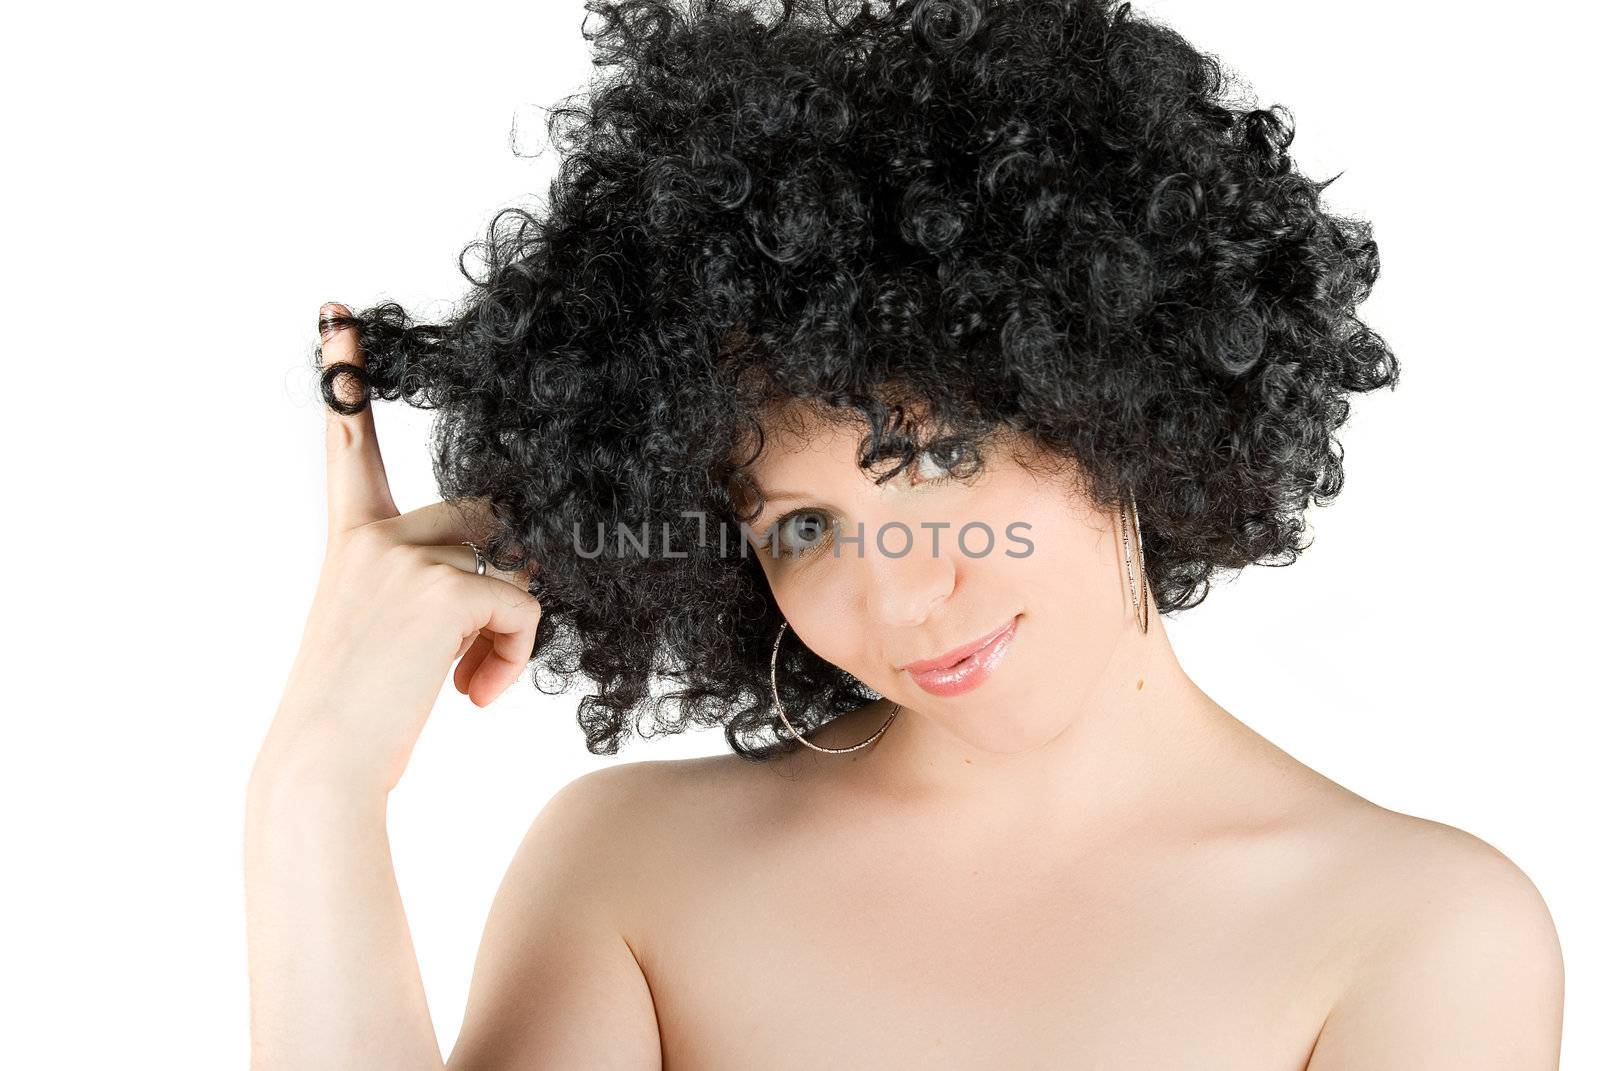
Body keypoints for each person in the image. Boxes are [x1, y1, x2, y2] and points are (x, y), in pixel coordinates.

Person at [244, 0, 1564, 1066]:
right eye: (806, 523)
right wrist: (315, 796)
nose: (907, 599)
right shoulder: (631, 871)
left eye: (940, 457)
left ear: (1120, 400)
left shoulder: (1418, 934)